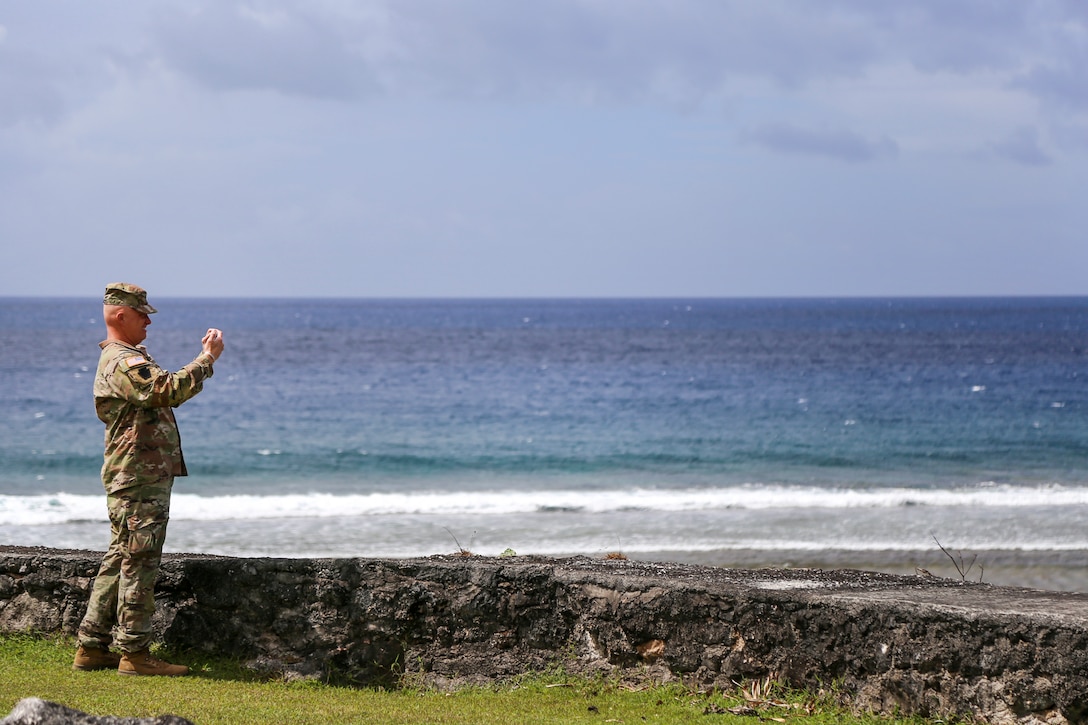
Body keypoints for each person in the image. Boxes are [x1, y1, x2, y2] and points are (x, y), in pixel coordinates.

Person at [72, 282, 224, 676]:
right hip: (139, 475)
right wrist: (206, 359)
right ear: (120, 315)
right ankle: (135, 655)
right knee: (140, 560)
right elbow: (166, 389)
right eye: (143, 315)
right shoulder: (123, 362)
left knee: (120, 556)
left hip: (134, 472)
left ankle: (91, 646)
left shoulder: (126, 358)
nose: (148, 322)